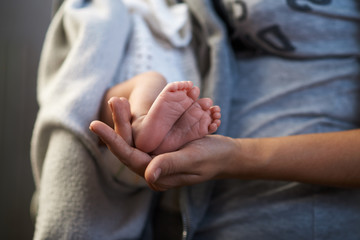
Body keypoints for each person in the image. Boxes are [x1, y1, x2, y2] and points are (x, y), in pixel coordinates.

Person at [32, 0, 360, 239]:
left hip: (296, 216)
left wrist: (233, 155)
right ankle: (143, 123)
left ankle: (147, 123)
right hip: (185, 214)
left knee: (152, 81)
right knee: (143, 83)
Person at [96, 71, 221, 154]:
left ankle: (164, 132)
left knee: (153, 80)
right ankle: (142, 123)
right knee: (153, 80)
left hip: (115, 146)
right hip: (110, 103)